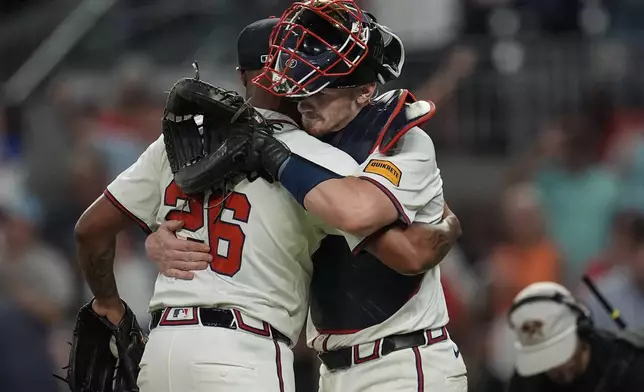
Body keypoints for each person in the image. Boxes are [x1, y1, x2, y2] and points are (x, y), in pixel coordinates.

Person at [75, 17, 460, 392]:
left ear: (242, 75)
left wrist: (119, 287)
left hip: (399, 361)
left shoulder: (183, 145)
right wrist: (446, 224)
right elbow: (396, 242)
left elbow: (91, 230)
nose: (303, 89)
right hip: (251, 354)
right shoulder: (319, 162)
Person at [506, 281, 644, 392]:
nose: (555, 368)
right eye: (544, 359)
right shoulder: (527, 381)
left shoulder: (628, 365)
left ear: (582, 329)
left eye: (559, 352)